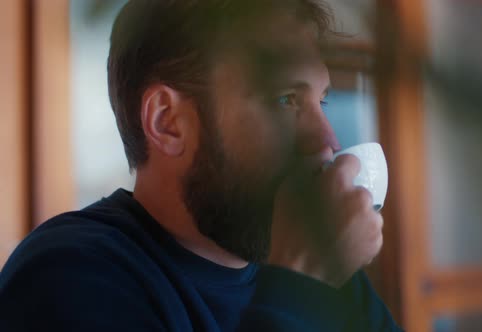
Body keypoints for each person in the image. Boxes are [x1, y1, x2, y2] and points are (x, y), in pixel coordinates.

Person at [0, 1, 402, 331]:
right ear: (167, 122)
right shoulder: (69, 280)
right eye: (285, 100)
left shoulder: (321, 270)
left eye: (322, 101)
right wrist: (301, 284)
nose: (328, 143)